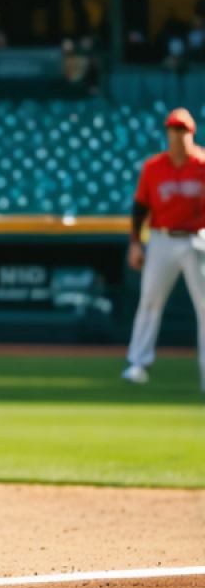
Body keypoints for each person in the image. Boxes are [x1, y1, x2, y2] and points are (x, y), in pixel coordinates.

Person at [122, 108, 205, 388]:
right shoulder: (154, 167)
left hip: (197, 239)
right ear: (167, 132)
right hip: (162, 238)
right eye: (173, 129)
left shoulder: (203, 164)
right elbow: (140, 207)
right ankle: (137, 362)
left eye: (183, 129)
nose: (178, 134)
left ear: (192, 132)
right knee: (150, 300)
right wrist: (135, 243)